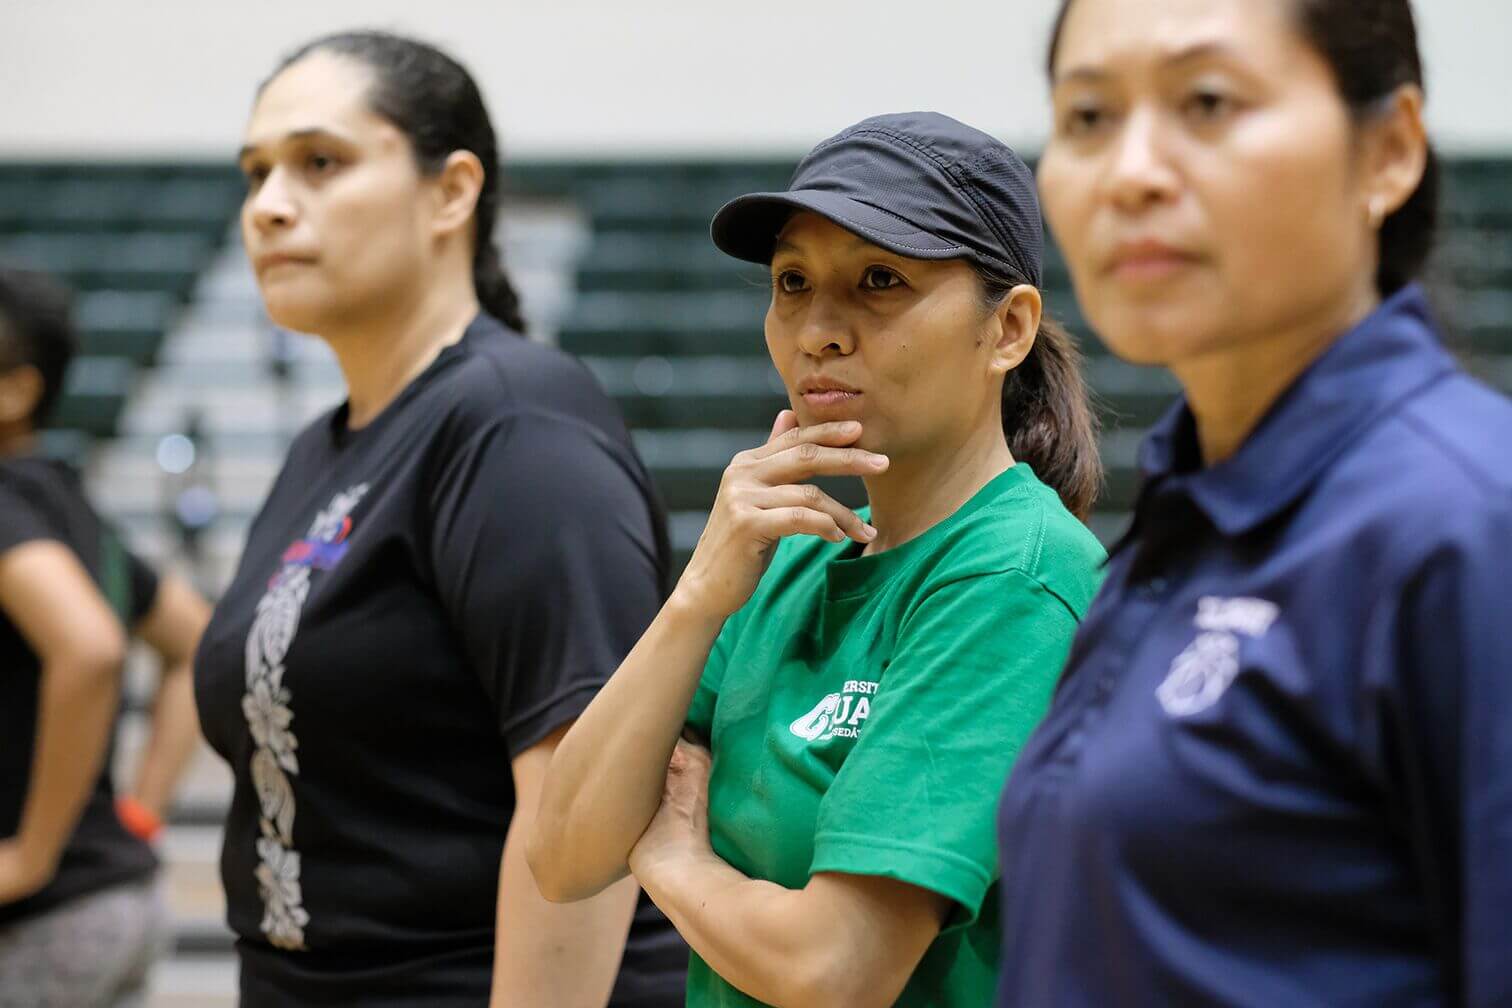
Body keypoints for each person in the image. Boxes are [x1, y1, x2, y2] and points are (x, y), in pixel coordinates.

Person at [996, 0, 1512, 1005]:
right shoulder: (1181, 519)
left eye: (1208, 102)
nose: (1132, 172)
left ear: (1390, 153)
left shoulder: (1471, 524)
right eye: (1089, 118)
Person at [529, 112, 1108, 1008]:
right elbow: (565, 854)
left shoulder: (1015, 577)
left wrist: (675, 859)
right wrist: (698, 596)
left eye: (880, 279)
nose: (818, 330)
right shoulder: (795, 548)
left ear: (1008, 330)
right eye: (791, 281)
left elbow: (833, 969)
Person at [194, 30, 687, 1008]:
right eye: (255, 173)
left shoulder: (516, 425)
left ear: (452, 192)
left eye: (319, 162)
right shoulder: (321, 448)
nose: (268, 205)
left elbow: (586, 818)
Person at [0, 267, 210, 1007]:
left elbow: (88, 649)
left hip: (41, 917)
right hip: (118, 894)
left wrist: (31, 855)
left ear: (16, 392)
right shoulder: (69, 506)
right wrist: (143, 811)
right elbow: (196, 644)